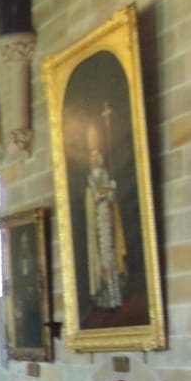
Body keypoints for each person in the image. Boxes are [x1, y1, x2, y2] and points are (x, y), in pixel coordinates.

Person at [84, 122, 126, 310]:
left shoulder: (105, 174)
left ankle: (115, 298)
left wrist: (109, 191)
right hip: (98, 223)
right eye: (93, 155)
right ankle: (105, 299)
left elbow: (110, 194)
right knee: (102, 261)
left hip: (107, 218)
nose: (96, 157)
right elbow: (93, 195)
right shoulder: (90, 179)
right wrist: (101, 193)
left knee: (111, 259)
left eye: (98, 154)